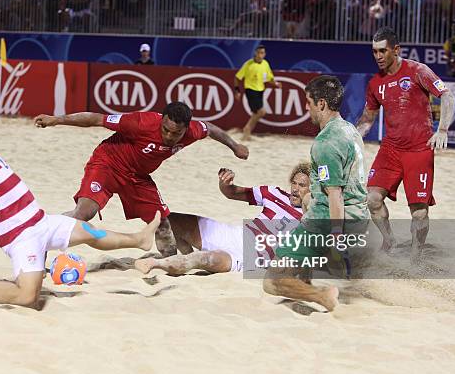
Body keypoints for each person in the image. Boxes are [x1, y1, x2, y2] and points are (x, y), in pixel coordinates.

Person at [0, 77, 160, 309]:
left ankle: (139, 240)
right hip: (21, 233)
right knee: (27, 297)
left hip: (39, 220)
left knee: (89, 232)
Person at [33, 102, 249, 258]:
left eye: (176, 133)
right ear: (162, 120)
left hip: (137, 178)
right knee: (84, 213)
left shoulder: (193, 130)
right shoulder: (140, 122)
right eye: (165, 129)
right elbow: (96, 119)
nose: (168, 136)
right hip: (108, 164)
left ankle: (170, 265)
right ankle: (41, 236)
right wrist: (57, 120)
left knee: (161, 223)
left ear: (186, 128)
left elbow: (211, 128)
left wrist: (235, 146)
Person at [263, 75, 369, 312]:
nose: (306, 107)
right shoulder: (350, 130)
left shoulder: (326, 142)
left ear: (321, 103)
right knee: (309, 198)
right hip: (359, 214)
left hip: (329, 221)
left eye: (308, 102)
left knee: (272, 280)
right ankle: (307, 278)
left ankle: (323, 296)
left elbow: (335, 194)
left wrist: (335, 233)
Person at [356, 27, 455, 264]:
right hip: (390, 149)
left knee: (419, 212)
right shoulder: (374, 83)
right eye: (374, 52)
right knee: (371, 200)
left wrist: (442, 129)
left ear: (396, 50)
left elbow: (448, 96)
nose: (378, 56)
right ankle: (389, 239)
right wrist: (353, 136)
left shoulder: (418, 71)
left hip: (419, 150)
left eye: (382, 51)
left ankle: (415, 257)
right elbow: (368, 119)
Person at [134, 163, 310, 275]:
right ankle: (173, 261)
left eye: (302, 185)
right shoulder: (273, 193)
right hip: (233, 235)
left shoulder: (313, 216)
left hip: (248, 257)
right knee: (167, 220)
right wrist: (225, 183)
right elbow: (232, 193)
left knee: (202, 259)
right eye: (294, 183)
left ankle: (157, 264)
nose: (295, 189)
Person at [234, 45, 281, 141]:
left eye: (262, 53)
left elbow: (269, 78)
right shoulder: (248, 64)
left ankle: (247, 133)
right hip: (250, 90)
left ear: (264, 54)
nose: (260, 55)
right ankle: (247, 128)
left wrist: (275, 84)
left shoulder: (265, 64)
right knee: (261, 112)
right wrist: (237, 91)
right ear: (255, 53)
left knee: (256, 113)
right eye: (258, 53)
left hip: (260, 91)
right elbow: (237, 77)